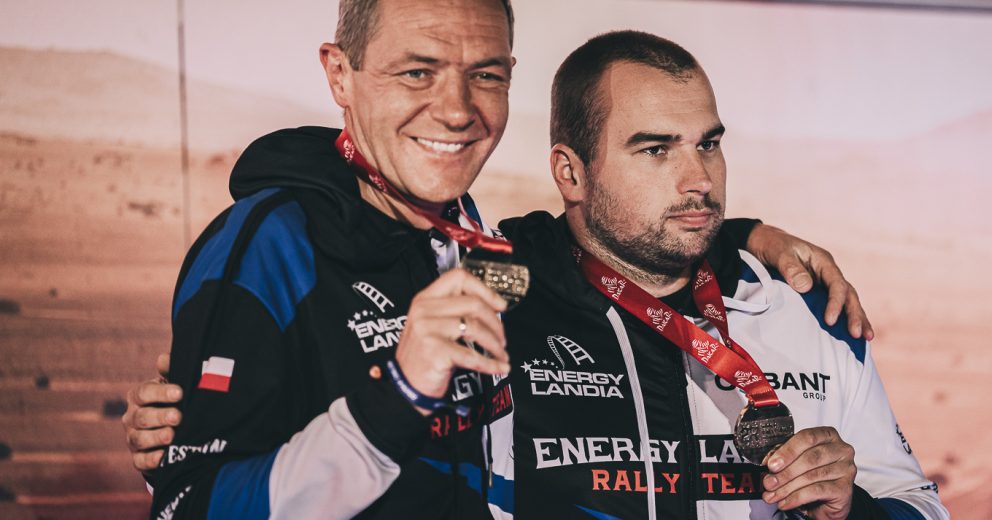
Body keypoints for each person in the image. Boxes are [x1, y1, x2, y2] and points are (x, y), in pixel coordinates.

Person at [129, 1, 874, 518]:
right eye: (417, 72)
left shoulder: (476, 241)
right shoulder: (269, 240)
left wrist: (740, 235)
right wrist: (399, 392)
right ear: (340, 75)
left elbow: (619, 238)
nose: (458, 110)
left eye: (485, 74)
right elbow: (191, 505)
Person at [478, 31, 946, 519]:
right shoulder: (495, 306)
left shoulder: (806, 307)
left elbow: (921, 505)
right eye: (656, 149)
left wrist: (853, 513)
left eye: (708, 144)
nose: (700, 179)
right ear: (571, 173)